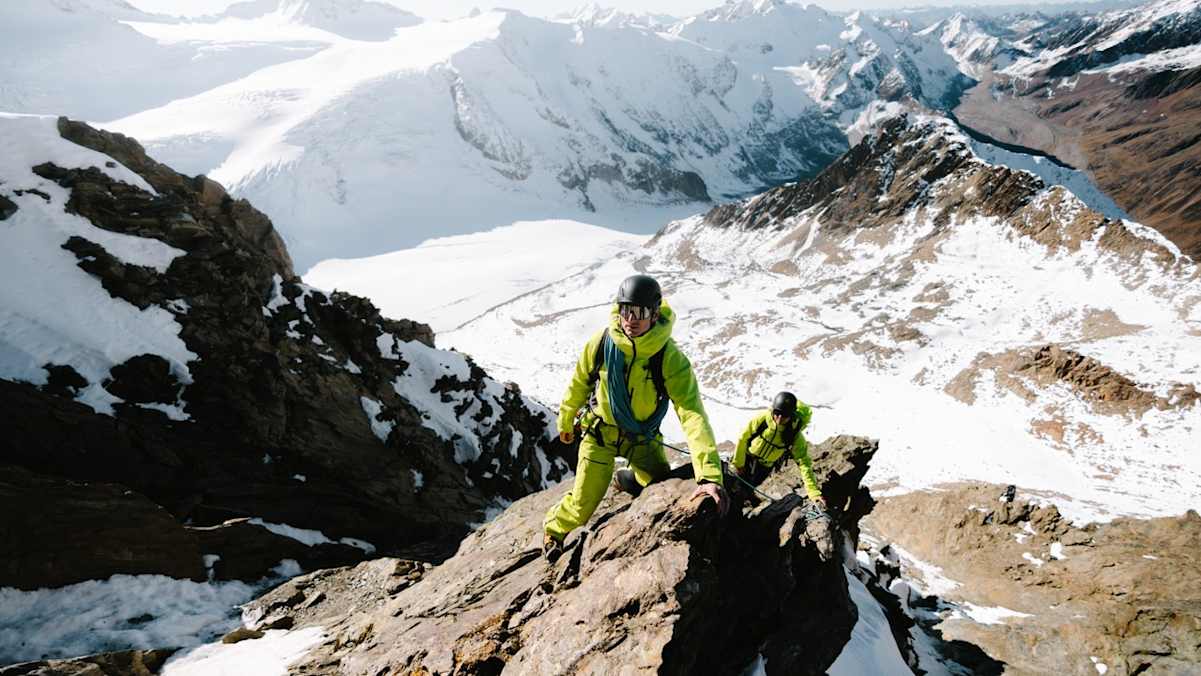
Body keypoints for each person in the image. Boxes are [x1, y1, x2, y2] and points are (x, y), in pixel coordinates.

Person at [543, 274, 728, 561]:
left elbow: (692, 413)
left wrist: (709, 476)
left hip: (642, 439)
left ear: (655, 314)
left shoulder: (668, 357)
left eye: (640, 312)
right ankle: (553, 530)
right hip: (600, 436)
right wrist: (566, 420)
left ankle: (629, 480)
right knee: (582, 505)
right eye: (626, 309)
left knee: (660, 485)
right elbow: (579, 382)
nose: (631, 319)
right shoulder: (602, 343)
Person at [731, 391, 826, 509]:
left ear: (791, 415)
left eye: (785, 415)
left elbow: (804, 463)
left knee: (746, 489)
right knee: (734, 486)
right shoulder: (762, 419)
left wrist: (813, 492)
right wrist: (739, 464)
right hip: (746, 458)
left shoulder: (795, 435)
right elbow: (742, 438)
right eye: (777, 413)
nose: (780, 418)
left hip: (764, 467)